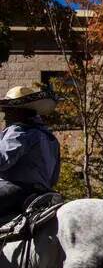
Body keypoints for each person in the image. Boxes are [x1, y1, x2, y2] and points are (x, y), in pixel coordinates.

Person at [0, 85, 61, 217]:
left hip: (17, 191)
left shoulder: (18, 130)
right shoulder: (51, 139)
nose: (5, 118)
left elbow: (2, 159)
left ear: (19, 111)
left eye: (7, 112)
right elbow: (54, 177)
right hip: (44, 194)